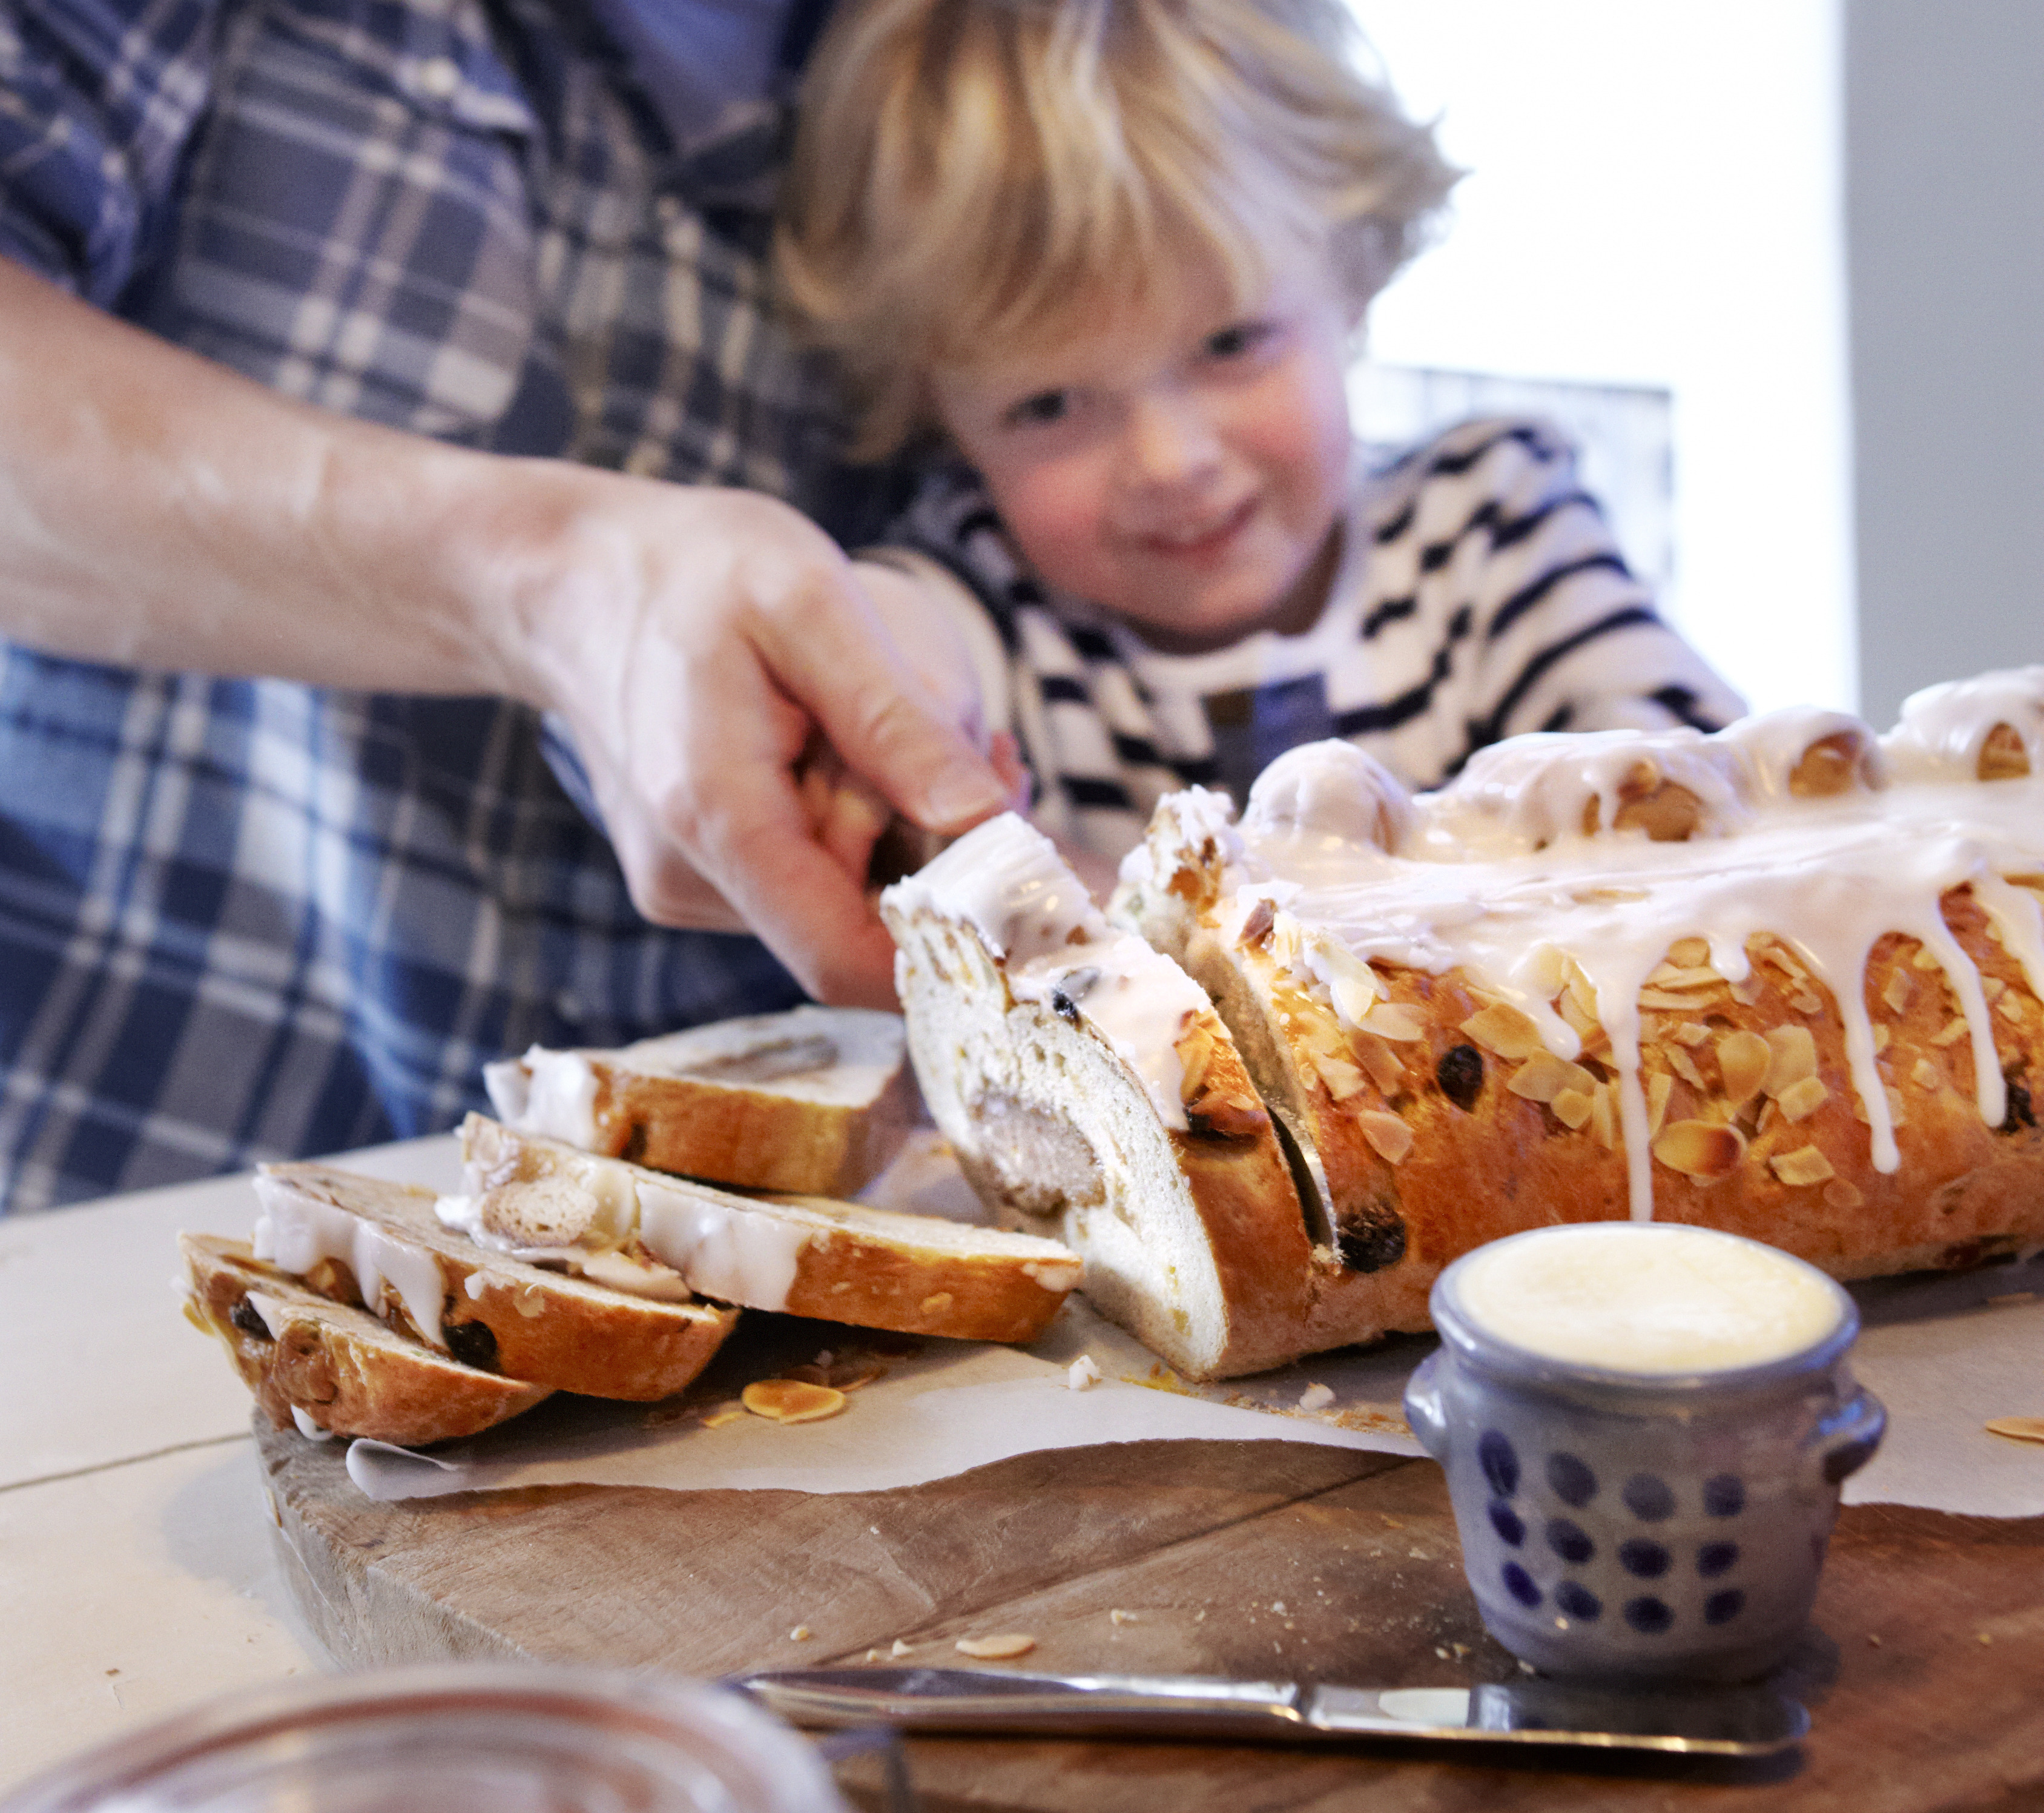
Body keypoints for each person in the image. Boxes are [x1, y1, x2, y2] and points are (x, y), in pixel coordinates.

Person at [0, 0, 1017, 1212]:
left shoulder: (1050, 61)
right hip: (106, 1192)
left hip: (764, 1273)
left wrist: (911, 663)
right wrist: (552, 582)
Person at [773, 0, 1746, 875]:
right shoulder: (988, 596)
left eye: (1231, 343)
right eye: (1051, 405)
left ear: (1355, 273)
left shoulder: (1490, 525)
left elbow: (1699, 796)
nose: (1171, 461)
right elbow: (884, 650)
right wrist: (888, 735)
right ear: (940, 418)